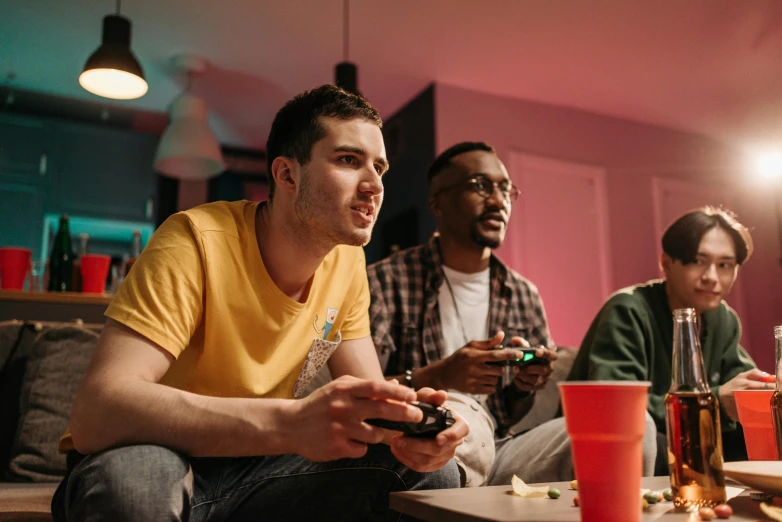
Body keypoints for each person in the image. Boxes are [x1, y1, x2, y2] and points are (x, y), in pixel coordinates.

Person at [51, 85, 466, 522]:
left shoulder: (347, 262)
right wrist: (291, 423)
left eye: (379, 167)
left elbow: (369, 406)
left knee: (434, 477)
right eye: (348, 160)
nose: (374, 185)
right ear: (287, 175)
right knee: (139, 484)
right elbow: (97, 412)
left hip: (253, 469)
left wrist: (413, 428)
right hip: (150, 455)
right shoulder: (194, 239)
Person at [368, 141, 657, 487]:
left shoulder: (523, 293)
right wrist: (441, 375)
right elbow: (365, 391)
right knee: (458, 412)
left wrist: (524, 387)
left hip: (505, 449)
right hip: (428, 445)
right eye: (480, 186)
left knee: (631, 420)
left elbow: (512, 414)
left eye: (505, 189)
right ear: (437, 204)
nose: (498, 200)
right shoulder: (386, 280)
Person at [568, 206, 765, 474]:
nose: (711, 277)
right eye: (697, 261)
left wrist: (763, 393)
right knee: (646, 434)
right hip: (594, 447)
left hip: (679, 452)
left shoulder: (723, 319)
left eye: (725, 265)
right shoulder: (628, 309)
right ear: (666, 263)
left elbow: (743, 389)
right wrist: (716, 402)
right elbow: (617, 409)